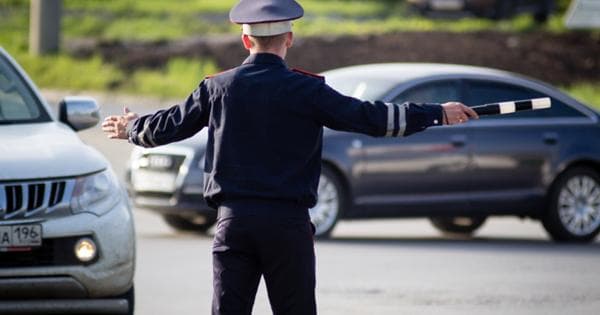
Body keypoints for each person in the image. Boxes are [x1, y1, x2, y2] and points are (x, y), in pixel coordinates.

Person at [101, 0, 478, 314]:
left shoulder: (218, 88)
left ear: (245, 39)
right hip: (288, 226)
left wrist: (133, 127)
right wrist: (435, 113)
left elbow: (170, 126)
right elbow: (371, 118)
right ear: (290, 39)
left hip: (235, 224)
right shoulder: (308, 90)